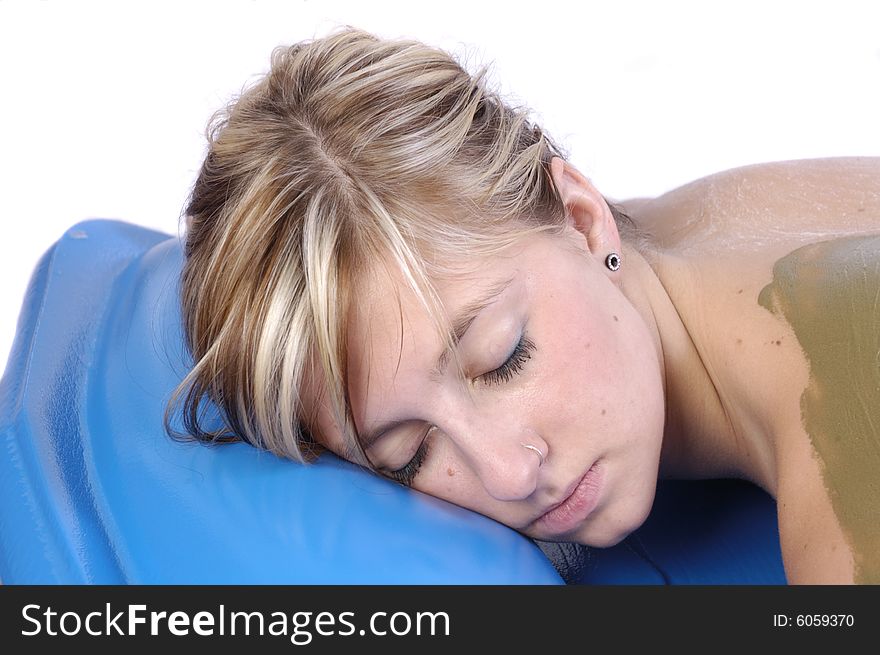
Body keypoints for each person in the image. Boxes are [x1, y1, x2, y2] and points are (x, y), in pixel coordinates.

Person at [166, 26, 880, 584]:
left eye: (504, 358)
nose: (508, 474)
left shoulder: (848, 403)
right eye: (410, 455)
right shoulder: (633, 255)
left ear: (582, 216)